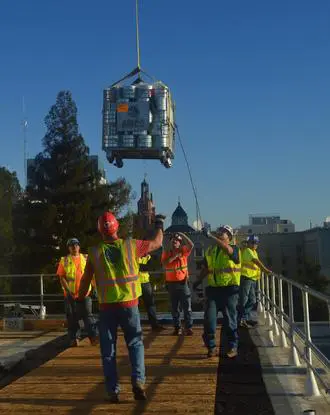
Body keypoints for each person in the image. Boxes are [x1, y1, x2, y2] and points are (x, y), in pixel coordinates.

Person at [78, 211, 165, 403]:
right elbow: (157, 243)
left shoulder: (94, 252)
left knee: (108, 351)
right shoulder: (131, 246)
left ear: (100, 230)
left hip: (107, 308)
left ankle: (113, 391)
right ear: (117, 226)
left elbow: (84, 282)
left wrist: (78, 300)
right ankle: (138, 382)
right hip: (129, 305)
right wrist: (159, 224)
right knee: (135, 343)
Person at [193, 225, 241, 358]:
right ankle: (211, 347)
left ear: (229, 237)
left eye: (224, 233)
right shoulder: (210, 251)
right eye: (219, 231)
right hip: (213, 290)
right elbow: (207, 268)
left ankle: (233, 346)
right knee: (209, 320)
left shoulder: (234, 249)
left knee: (230, 320)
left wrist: (211, 236)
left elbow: (228, 250)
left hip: (230, 290)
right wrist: (197, 281)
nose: (221, 234)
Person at [56, 238, 98, 347]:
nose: (74, 247)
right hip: (70, 294)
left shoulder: (86, 258)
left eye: (76, 245)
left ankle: (94, 337)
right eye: (71, 245)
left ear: (79, 246)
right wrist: (68, 291)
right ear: (69, 248)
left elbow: (92, 275)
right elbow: (62, 277)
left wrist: (95, 288)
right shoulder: (64, 260)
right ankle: (74, 339)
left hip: (85, 293)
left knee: (88, 315)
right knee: (72, 317)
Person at [161, 232, 194, 335]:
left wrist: (182, 235)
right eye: (173, 240)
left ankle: (188, 327)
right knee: (174, 308)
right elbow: (164, 264)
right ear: (170, 242)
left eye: (177, 240)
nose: (175, 241)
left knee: (187, 308)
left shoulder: (184, 251)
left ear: (180, 243)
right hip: (171, 284)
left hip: (183, 283)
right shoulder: (166, 253)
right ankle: (177, 328)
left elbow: (191, 245)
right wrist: (175, 256)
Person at [239, 234, 272, 328]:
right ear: (248, 243)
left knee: (252, 300)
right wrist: (265, 270)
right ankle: (242, 319)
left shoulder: (253, 251)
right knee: (244, 300)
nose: (254, 244)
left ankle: (246, 318)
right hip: (246, 277)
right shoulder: (248, 251)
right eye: (252, 242)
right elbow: (256, 261)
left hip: (252, 278)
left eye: (256, 243)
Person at [138, 255, 166, 331]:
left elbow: (151, 267)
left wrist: (140, 266)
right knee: (134, 306)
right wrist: (143, 267)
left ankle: (155, 325)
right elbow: (136, 267)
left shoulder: (148, 256)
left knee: (150, 304)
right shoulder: (133, 254)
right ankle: (135, 326)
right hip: (134, 283)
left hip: (145, 282)